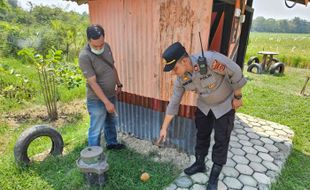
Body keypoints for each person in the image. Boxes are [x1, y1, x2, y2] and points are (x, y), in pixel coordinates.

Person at [158, 42, 247, 190]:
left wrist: (237, 97)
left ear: (185, 61)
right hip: (205, 106)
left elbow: (236, 71)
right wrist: (164, 128)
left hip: (224, 105)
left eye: (175, 68)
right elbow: (174, 102)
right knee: (202, 135)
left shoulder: (210, 60)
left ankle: (214, 176)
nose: (174, 72)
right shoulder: (182, 79)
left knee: (221, 139)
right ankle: (200, 163)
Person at [79, 24, 125, 150]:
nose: (99, 47)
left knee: (110, 121)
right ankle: (93, 156)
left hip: (110, 94)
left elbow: (112, 66)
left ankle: (112, 143)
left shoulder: (107, 47)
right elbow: (92, 82)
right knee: (96, 128)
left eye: (101, 44)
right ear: (88, 40)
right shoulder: (84, 56)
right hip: (96, 99)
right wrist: (106, 102)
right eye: (95, 45)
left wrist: (119, 83)